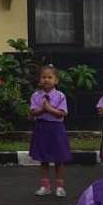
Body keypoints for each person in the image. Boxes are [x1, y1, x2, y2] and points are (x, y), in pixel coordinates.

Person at [29, 65, 71, 197]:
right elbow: (32, 113)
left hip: (56, 129)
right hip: (42, 128)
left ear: (56, 80)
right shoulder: (36, 96)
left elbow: (62, 114)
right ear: (39, 80)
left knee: (59, 158)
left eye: (50, 77)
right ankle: (45, 186)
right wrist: (42, 109)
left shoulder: (60, 96)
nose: (46, 80)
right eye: (43, 77)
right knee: (44, 158)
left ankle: (59, 186)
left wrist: (49, 109)